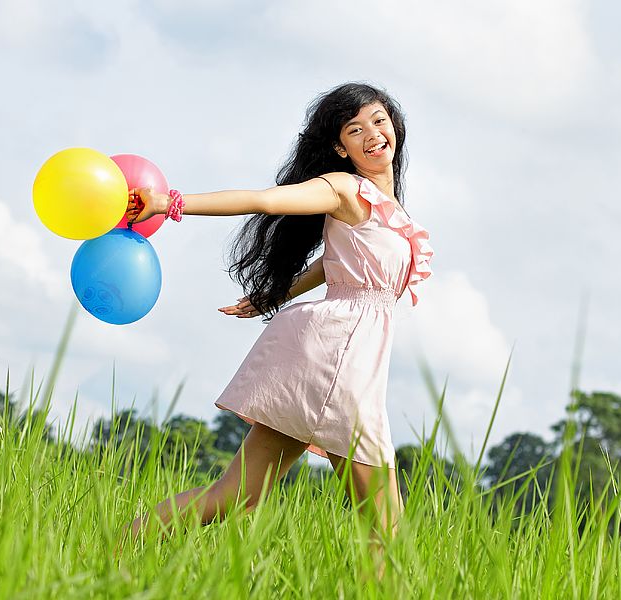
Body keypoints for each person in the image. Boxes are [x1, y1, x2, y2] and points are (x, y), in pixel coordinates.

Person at [117, 82, 434, 576]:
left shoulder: (389, 209)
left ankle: (127, 541)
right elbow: (264, 200)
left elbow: (337, 264)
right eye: (355, 129)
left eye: (378, 120)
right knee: (385, 531)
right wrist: (167, 203)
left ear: (394, 124)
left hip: (338, 353)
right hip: (339, 361)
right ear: (339, 147)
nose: (372, 135)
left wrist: (274, 295)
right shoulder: (343, 188)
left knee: (236, 496)